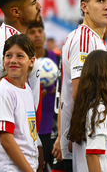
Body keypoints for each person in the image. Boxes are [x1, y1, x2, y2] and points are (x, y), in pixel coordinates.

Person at [53, 0, 107, 172]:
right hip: (86, 137)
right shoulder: (85, 39)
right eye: (100, 0)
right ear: (84, 7)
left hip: (83, 134)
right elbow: (80, 92)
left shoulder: (92, 38)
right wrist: (71, 135)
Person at [0, 0, 43, 168]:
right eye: (33, 2)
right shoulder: (13, 47)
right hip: (15, 147)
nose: (39, 6)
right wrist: (37, 143)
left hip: (18, 138)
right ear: (16, 11)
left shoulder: (2, 37)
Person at [0, 34, 40, 172]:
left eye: (20, 56)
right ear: (3, 60)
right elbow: (6, 140)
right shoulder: (3, 91)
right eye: (8, 55)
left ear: (31, 61)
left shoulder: (26, 88)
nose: (13, 60)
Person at [67, 50, 107, 171]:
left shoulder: (84, 105)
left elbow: (71, 146)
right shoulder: (99, 110)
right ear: (104, 75)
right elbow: (92, 154)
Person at [27, 21, 63, 172]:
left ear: (44, 34)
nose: (37, 35)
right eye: (32, 31)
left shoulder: (58, 59)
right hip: (32, 129)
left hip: (54, 128)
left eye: (39, 31)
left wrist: (59, 92)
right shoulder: (24, 63)